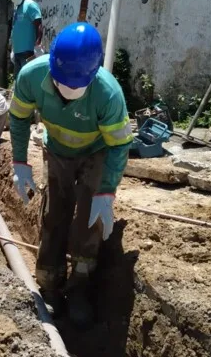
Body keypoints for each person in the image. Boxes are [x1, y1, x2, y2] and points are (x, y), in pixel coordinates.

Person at [9, 22, 132, 328]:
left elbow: (120, 145)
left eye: (78, 86)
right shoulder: (31, 76)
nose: (69, 91)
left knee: (89, 221)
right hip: (58, 151)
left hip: (96, 153)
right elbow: (19, 117)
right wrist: (19, 160)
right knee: (56, 214)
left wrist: (106, 190)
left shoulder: (109, 94)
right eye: (64, 83)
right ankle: (50, 285)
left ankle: (79, 289)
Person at [5, 0, 44, 79]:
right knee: (18, 80)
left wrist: (38, 44)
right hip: (17, 52)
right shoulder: (17, 9)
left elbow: (38, 24)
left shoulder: (30, 5)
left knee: (28, 79)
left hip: (29, 52)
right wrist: (13, 48)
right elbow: (15, 28)